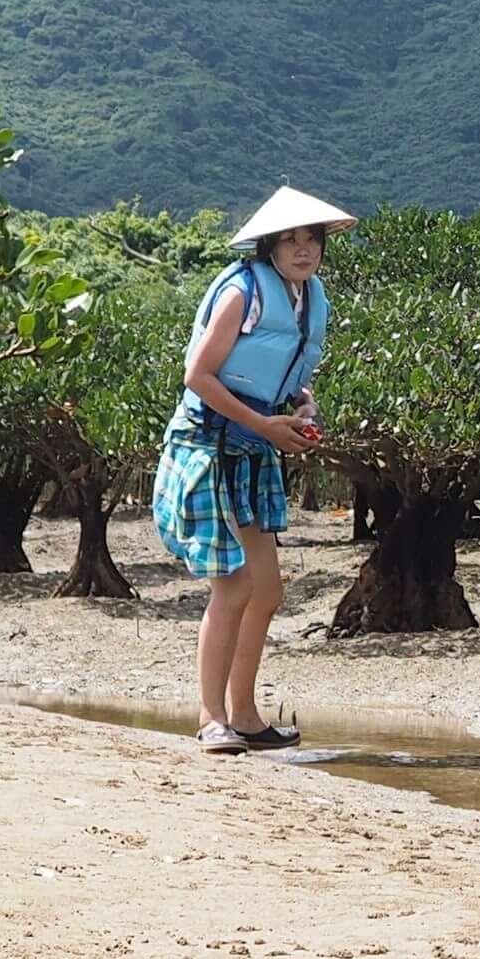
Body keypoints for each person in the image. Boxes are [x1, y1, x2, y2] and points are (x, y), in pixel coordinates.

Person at [157, 186, 349, 752]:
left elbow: (284, 372)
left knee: (266, 592)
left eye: (310, 238)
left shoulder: (308, 299)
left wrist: (301, 408)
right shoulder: (242, 292)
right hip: (206, 447)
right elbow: (199, 375)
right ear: (270, 245)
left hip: (252, 449)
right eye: (290, 239)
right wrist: (265, 427)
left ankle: (244, 714)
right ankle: (210, 717)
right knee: (235, 585)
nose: (302, 249)